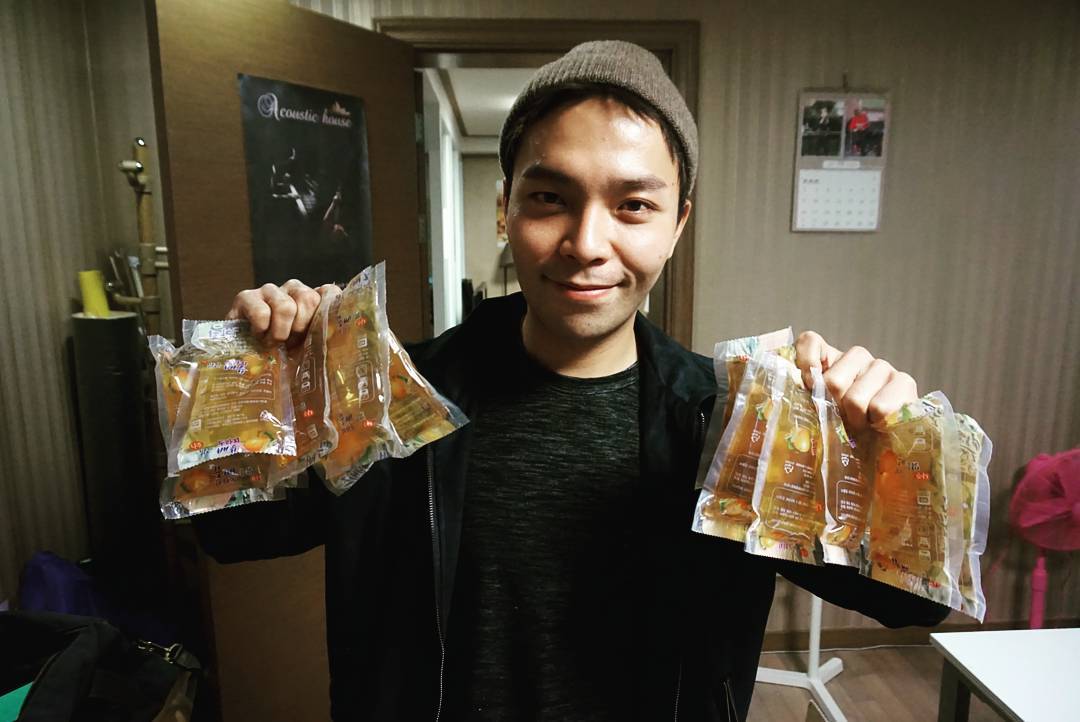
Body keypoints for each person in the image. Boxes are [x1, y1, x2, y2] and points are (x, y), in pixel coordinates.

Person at [197, 41, 949, 721]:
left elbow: (906, 602)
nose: (587, 244)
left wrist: (882, 456)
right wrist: (253, 382)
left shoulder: (729, 424)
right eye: (550, 198)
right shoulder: (390, 398)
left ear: (678, 224)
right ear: (506, 210)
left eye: (634, 206)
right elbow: (232, 530)